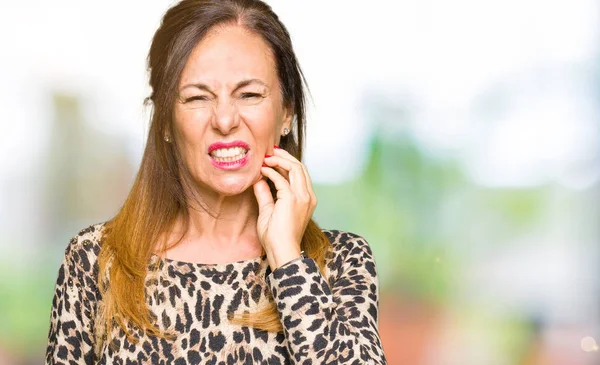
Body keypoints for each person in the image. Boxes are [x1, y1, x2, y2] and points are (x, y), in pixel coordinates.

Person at [45, 0, 388, 363]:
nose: (225, 119)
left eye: (250, 94)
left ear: (286, 112)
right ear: (164, 121)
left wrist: (287, 258)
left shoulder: (342, 262)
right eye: (197, 97)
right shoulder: (95, 260)